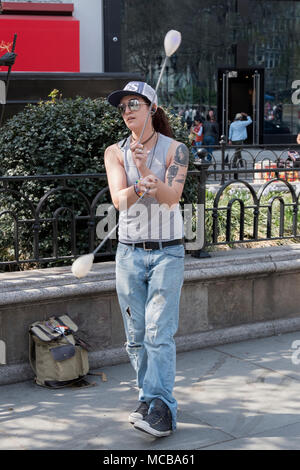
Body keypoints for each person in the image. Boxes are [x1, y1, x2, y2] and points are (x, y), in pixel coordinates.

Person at [104, 81, 188, 438]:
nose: (127, 111)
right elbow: (121, 202)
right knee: (136, 337)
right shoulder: (114, 152)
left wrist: (150, 176)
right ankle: (148, 397)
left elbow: (171, 199)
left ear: (152, 107)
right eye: (123, 107)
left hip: (167, 251)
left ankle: (162, 408)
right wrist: (139, 182)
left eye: (134, 104)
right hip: (129, 254)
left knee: (158, 332)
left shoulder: (176, 150)